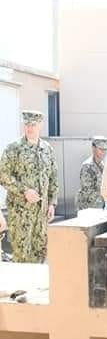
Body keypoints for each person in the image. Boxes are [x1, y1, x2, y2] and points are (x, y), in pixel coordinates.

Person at [0, 110, 59, 263]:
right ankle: (21, 287)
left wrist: (52, 203)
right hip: (20, 213)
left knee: (40, 252)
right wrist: (24, 191)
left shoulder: (47, 149)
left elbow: (53, 177)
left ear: (41, 125)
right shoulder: (13, 148)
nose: (29, 128)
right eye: (26, 124)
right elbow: (3, 175)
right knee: (22, 255)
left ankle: (36, 287)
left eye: (33, 124)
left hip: (42, 213)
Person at [75, 136, 107, 211]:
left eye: (105, 150)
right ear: (93, 148)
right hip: (88, 207)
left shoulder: (102, 164)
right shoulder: (87, 166)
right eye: (101, 149)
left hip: (99, 206)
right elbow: (88, 191)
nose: (104, 152)